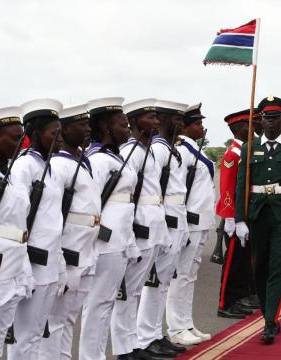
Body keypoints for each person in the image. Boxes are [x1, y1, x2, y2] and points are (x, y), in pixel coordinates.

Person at [235, 96, 281, 344]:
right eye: (266, 118)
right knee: (259, 267)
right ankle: (270, 314)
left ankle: (269, 322)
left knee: (277, 267)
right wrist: (239, 220)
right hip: (258, 215)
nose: (270, 123)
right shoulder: (248, 148)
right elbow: (241, 186)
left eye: (275, 118)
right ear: (261, 120)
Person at [79, 97, 138, 360]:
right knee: (98, 304)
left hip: (120, 237)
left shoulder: (113, 156)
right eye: (123, 125)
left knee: (106, 302)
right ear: (106, 128)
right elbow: (92, 205)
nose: (127, 129)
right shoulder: (99, 160)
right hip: (106, 240)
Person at [41, 104, 102, 359]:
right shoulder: (58, 165)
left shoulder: (81, 161)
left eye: (89, 124)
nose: (88, 129)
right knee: (54, 319)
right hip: (69, 248)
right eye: (82, 125)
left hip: (86, 247)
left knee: (69, 316)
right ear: (64, 131)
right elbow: (54, 215)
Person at [8, 99, 65, 360]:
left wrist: (60, 262)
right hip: (32, 260)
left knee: (38, 332)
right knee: (23, 334)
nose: (59, 138)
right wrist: (22, 267)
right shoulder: (25, 166)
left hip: (50, 260)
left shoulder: (47, 166)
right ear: (36, 134)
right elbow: (18, 219)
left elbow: (52, 220)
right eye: (54, 133)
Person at [111, 98, 168, 359]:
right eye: (150, 118)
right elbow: (127, 198)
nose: (156, 122)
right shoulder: (129, 152)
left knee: (135, 290)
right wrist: (131, 233)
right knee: (126, 291)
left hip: (154, 221)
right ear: (134, 122)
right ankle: (123, 348)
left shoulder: (149, 150)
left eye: (157, 118)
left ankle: (134, 343)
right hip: (139, 225)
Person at [0, 107, 33, 359]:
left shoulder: (10, 179)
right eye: (14, 137)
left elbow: (20, 231)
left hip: (10, 274)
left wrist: (24, 274)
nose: (20, 142)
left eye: (21, 136)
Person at [136, 100, 189, 357]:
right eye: (175, 120)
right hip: (164, 218)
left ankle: (156, 333)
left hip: (177, 216)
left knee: (164, 282)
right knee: (154, 282)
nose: (180, 124)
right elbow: (155, 189)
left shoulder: (170, 149)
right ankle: (145, 337)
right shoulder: (157, 150)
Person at [166, 103, 213, 346]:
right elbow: (179, 188)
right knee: (180, 276)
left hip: (201, 220)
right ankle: (175, 327)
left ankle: (186, 322)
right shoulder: (182, 150)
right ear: (185, 127)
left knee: (190, 276)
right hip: (190, 220)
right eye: (196, 123)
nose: (201, 127)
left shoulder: (194, 149)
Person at [216, 109, 256, 319]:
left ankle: (239, 299)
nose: (253, 130)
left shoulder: (246, 151)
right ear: (240, 128)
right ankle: (225, 303)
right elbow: (227, 188)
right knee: (231, 263)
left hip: (245, 215)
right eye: (250, 126)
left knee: (242, 261)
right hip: (234, 216)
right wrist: (230, 217)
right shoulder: (233, 154)